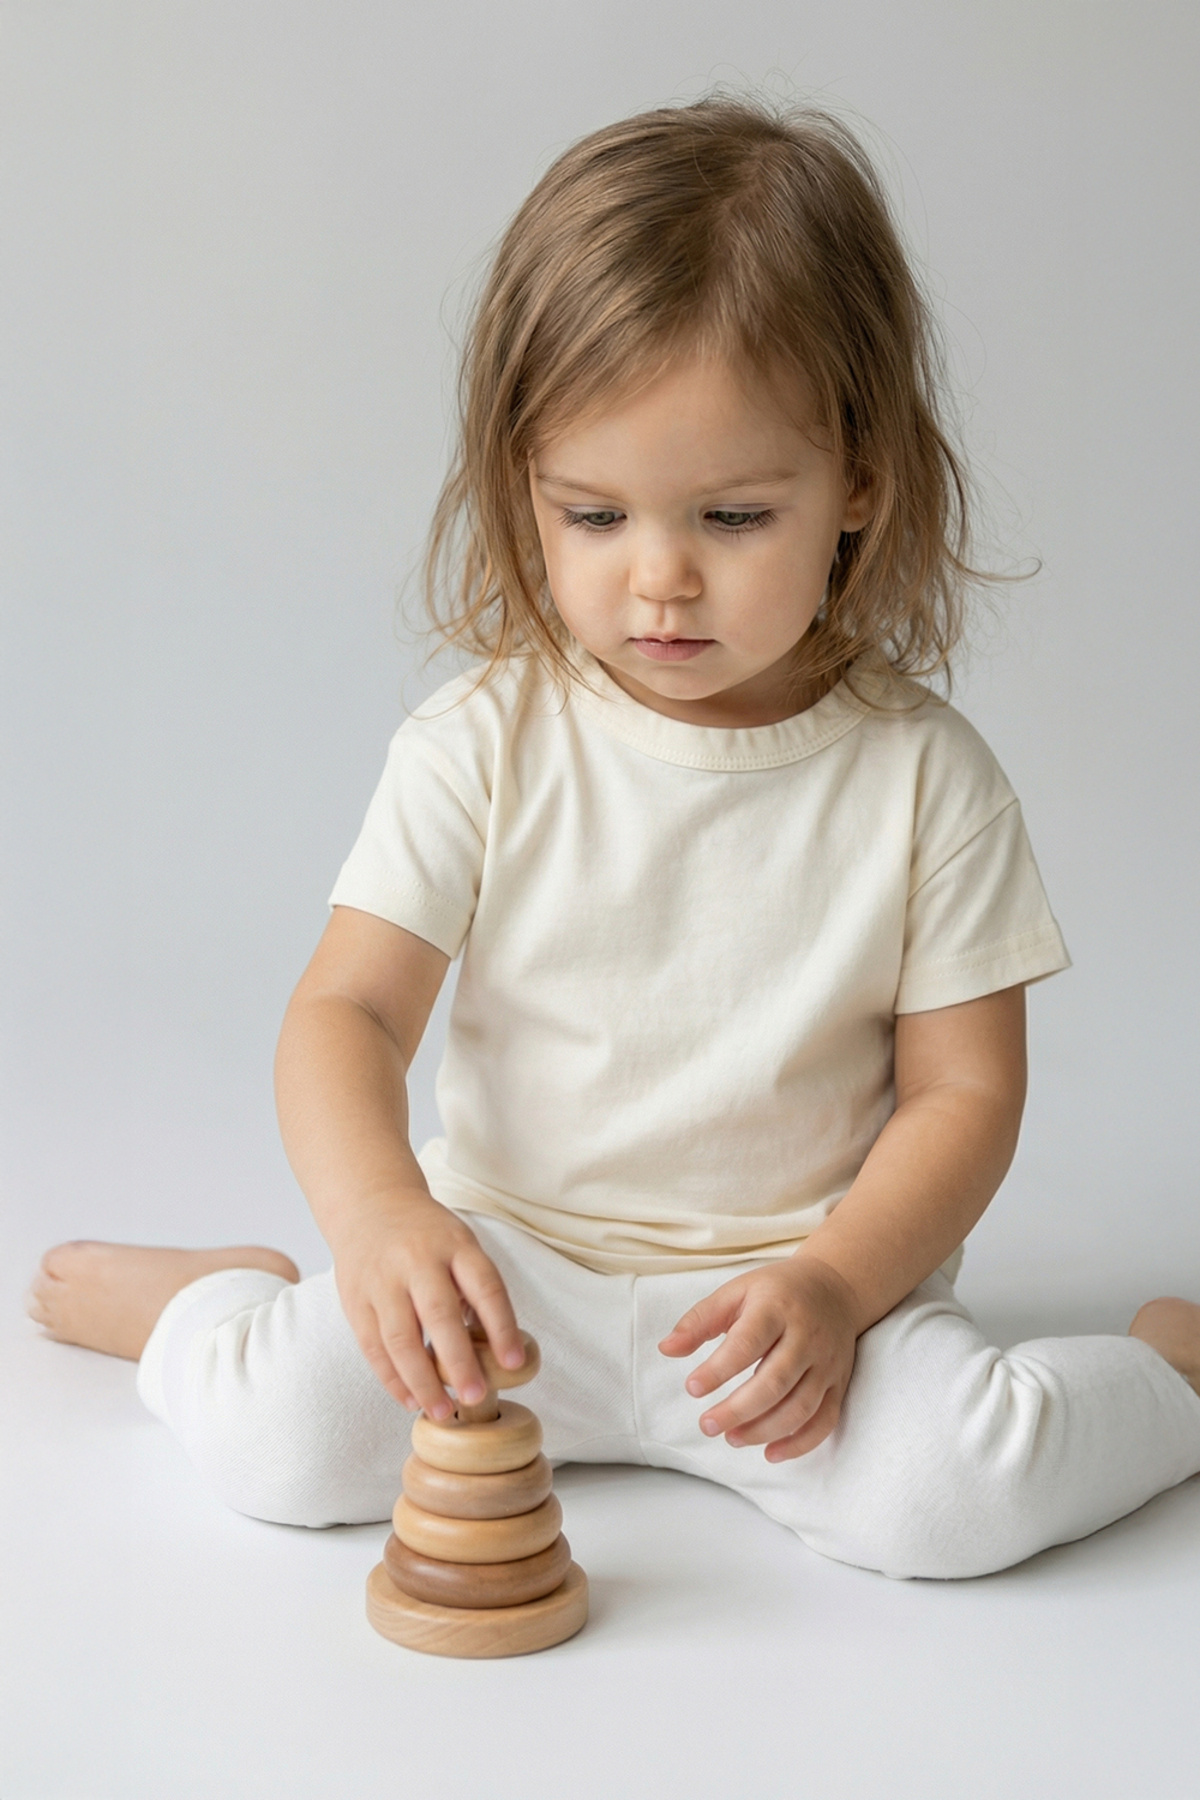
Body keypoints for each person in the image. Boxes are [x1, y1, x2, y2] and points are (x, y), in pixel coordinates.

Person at [28, 94, 1200, 1581]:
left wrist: (841, 1283)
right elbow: (346, 1010)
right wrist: (383, 1216)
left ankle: (1165, 1382)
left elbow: (965, 1096)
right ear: (524, 484)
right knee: (288, 1441)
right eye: (592, 515)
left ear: (858, 481)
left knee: (952, 1501)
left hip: (792, 1314)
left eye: (728, 514)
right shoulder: (487, 741)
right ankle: (201, 1314)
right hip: (511, 1280)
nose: (660, 581)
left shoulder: (925, 780)